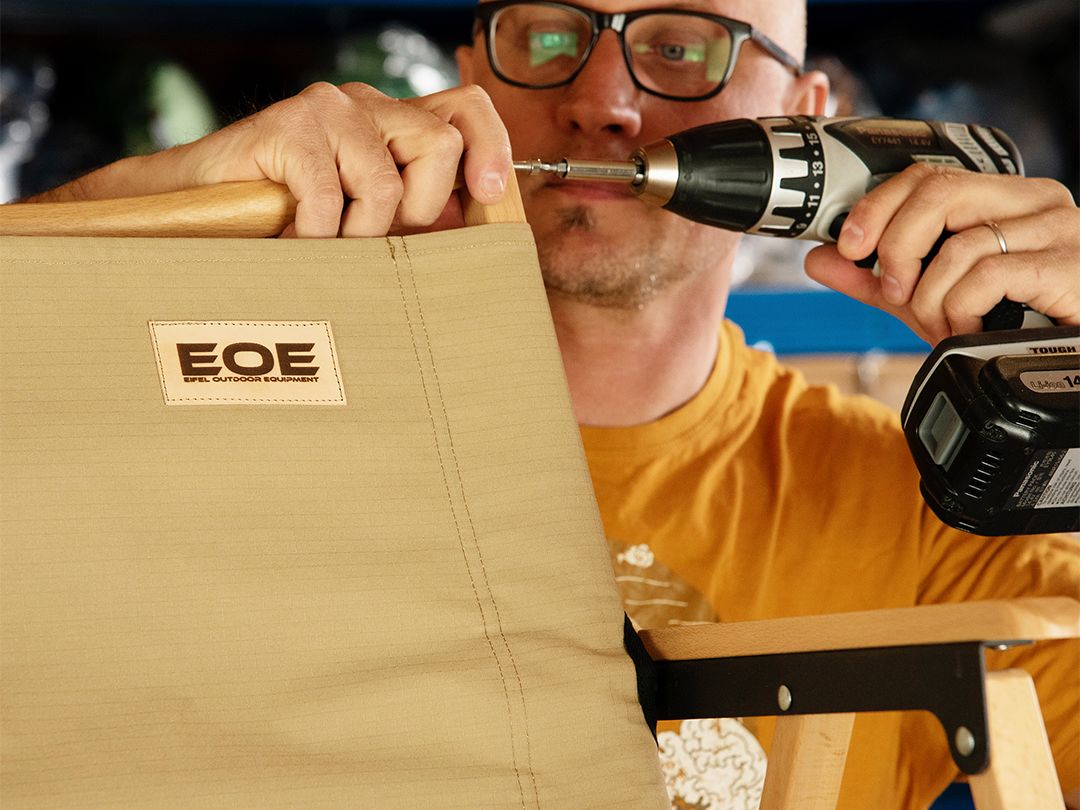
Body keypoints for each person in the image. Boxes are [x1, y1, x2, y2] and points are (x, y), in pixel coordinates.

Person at [26, 0, 1080, 806]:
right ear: (468, 77)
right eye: (547, 37)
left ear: (808, 116)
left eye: (684, 47)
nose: (601, 101)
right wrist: (139, 207)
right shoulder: (247, 416)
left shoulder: (931, 518)